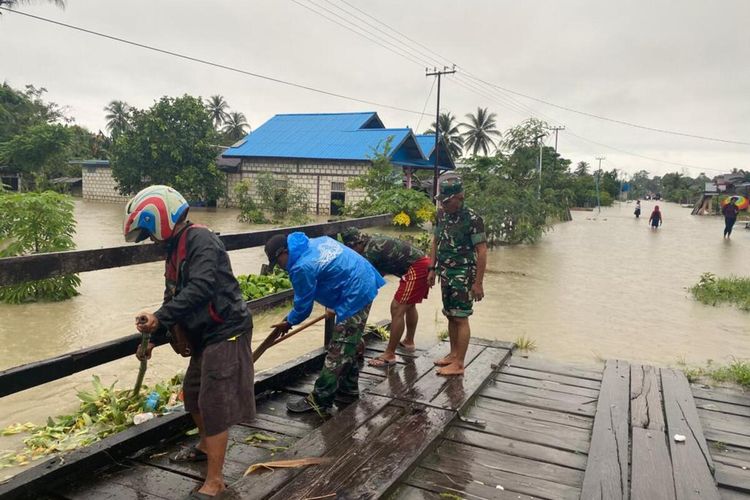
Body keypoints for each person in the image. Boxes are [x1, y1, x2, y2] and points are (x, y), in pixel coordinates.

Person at [125, 185, 254, 500]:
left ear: (162, 219)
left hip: (226, 330)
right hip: (205, 335)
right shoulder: (175, 248)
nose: (152, 240)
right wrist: (154, 337)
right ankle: (204, 444)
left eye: (150, 232)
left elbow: (200, 288)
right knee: (194, 395)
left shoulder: (201, 240)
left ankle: (215, 479)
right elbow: (173, 296)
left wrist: (159, 315)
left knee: (214, 404)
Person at [264, 232, 385, 413]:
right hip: (362, 277)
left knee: (338, 348)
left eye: (278, 263)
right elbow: (331, 270)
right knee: (347, 344)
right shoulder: (312, 242)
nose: (281, 268)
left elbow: (303, 307)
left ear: (284, 252)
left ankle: (320, 399)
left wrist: (289, 322)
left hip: (355, 292)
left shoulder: (300, 267)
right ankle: (348, 389)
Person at [340, 227, 431, 367]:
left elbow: (364, 279)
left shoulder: (370, 251)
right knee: (409, 305)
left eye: (352, 249)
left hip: (416, 268)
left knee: (397, 308)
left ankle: (389, 354)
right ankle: (408, 341)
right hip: (422, 263)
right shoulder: (374, 240)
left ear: (357, 244)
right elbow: (379, 272)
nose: (353, 253)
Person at [428, 177, 487, 376]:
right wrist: (431, 268)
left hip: (463, 275)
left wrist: (478, 283)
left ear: (459, 197)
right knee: (451, 315)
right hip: (445, 273)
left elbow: (482, 251)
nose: (443, 205)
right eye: (441, 201)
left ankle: (459, 364)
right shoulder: (441, 215)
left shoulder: (473, 219)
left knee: (461, 317)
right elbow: (435, 241)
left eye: (447, 201)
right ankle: (453, 355)